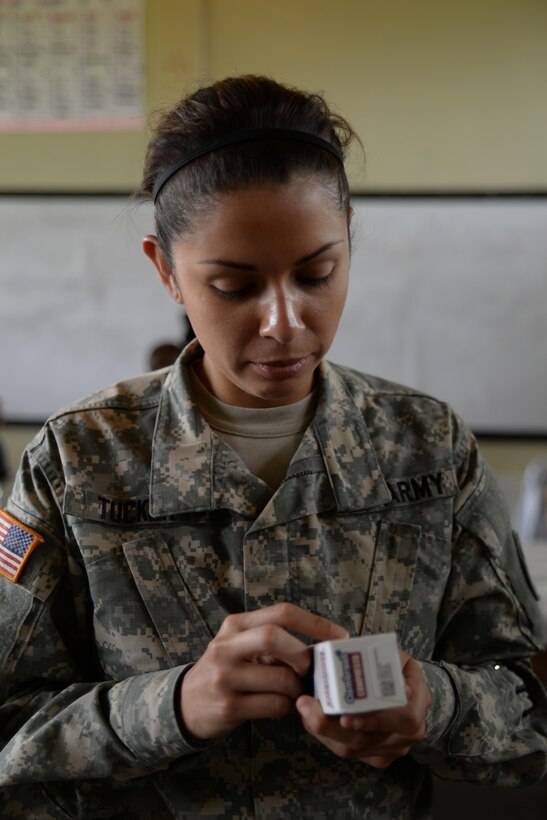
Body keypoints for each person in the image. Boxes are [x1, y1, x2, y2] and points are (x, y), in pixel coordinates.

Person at [0, 75, 545, 820]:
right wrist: (172, 708)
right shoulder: (80, 460)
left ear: (349, 238)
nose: (285, 322)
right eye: (233, 286)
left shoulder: (428, 449)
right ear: (165, 269)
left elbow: (527, 707)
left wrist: (435, 705)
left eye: (317, 273)